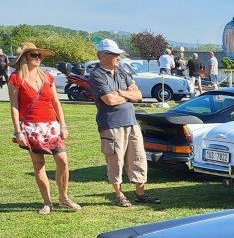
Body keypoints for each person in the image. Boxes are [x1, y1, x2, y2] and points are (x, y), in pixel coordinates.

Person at [7, 41, 78, 214]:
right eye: (34, 55)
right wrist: (18, 131)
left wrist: (63, 125)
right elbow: (14, 106)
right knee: (38, 164)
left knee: (63, 160)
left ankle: (64, 198)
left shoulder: (47, 76)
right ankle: (47, 202)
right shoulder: (16, 78)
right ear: (24, 57)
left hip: (51, 126)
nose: (38, 58)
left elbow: (56, 102)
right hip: (31, 126)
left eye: (39, 55)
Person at [88, 38, 159, 207]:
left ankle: (140, 193)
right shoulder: (96, 75)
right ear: (103, 55)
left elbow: (138, 95)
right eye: (115, 54)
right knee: (115, 160)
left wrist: (120, 92)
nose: (118, 58)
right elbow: (109, 100)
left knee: (138, 157)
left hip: (131, 122)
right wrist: (127, 94)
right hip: (111, 124)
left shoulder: (121, 71)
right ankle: (119, 195)